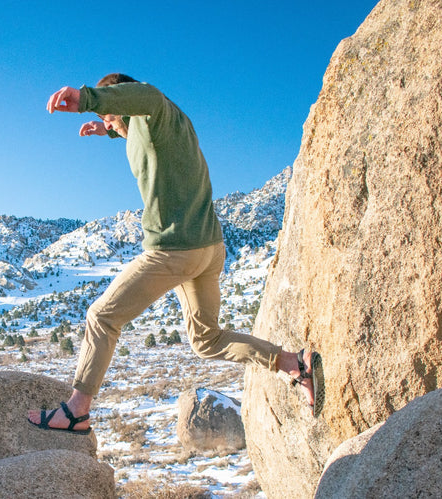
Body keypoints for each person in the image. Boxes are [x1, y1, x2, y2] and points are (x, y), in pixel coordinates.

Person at [28, 73, 324, 433]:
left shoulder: (154, 107)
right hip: (209, 248)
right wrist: (106, 129)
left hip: (174, 249)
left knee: (102, 317)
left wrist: (89, 98)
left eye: (111, 113)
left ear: (120, 100)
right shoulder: (167, 126)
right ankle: (296, 363)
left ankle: (77, 411)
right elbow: (132, 128)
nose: (109, 121)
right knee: (207, 340)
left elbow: (144, 96)